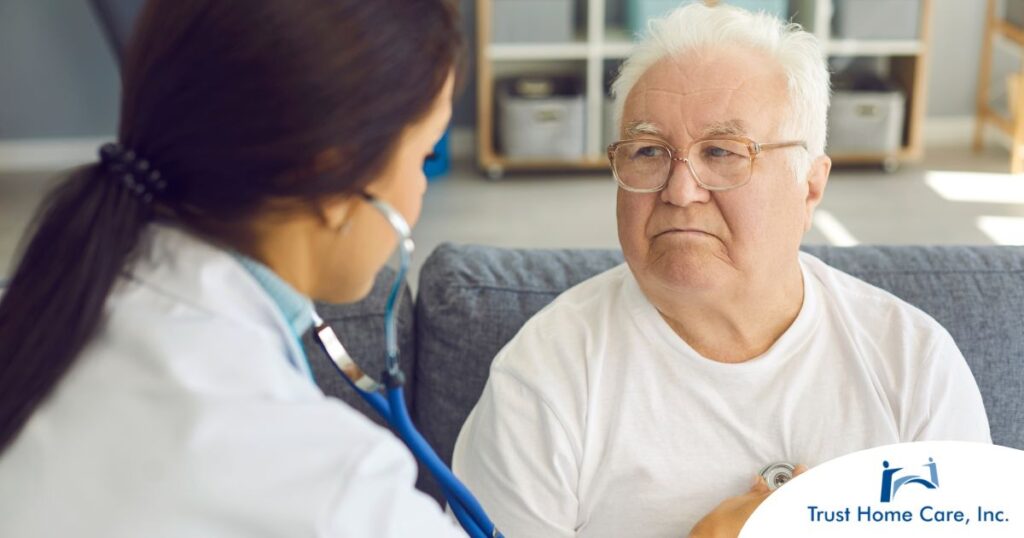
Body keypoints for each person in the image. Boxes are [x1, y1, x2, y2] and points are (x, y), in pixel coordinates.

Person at [0, 1, 772, 536]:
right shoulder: (330, 489)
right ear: (334, 177)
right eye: (426, 153)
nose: (420, 192)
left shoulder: (68, 303)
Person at [451, 3, 992, 537]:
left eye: (722, 152)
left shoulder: (914, 365)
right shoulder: (544, 378)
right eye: (648, 151)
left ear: (809, 187)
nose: (680, 191)